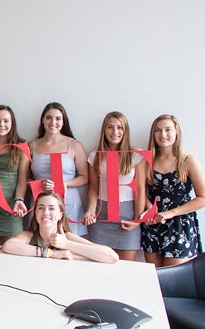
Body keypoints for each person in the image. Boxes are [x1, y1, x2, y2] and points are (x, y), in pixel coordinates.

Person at [142, 114, 205, 267]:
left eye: (167, 130)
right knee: (156, 279)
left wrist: (170, 213)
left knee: (176, 281)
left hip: (180, 226)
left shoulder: (187, 161)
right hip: (153, 225)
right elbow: (140, 192)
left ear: (176, 132)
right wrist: (151, 210)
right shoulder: (146, 162)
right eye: (158, 130)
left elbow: (202, 198)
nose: (163, 135)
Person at [83, 112, 146, 261]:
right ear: (104, 130)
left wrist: (137, 220)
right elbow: (93, 188)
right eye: (110, 127)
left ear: (125, 131)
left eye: (120, 128)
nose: (115, 132)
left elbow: (140, 190)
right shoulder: (95, 155)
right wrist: (90, 211)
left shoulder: (136, 155)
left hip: (127, 218)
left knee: (125, 269)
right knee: (99, 268)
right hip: (101, 218)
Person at [3, 192, 119, 263]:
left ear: (60, 215)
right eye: (41, 208)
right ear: (35, 213)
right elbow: (8, 246)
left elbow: (112, 257)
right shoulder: (29, 235)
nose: (45, 213)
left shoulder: (68, 238)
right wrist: (51, 254)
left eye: (51, 208)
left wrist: (67, 245)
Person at [30, 102, 88, 236]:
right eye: (49, 117)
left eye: (58, 118)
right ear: (43, 120)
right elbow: (24, 178)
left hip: (68, 203)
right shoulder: (31, 146)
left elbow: (85, 177)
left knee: (68, 244)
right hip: (40, 204)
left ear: (63, 122)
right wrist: (38, 184)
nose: (53, 122)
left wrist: (65, 184)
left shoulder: (74, 145)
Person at [0, 106, 31, 242]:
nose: (1, 125)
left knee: (11, 250)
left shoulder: (21, 147)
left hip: (12, 208)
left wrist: (19, 199)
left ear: (12, 123)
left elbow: (22, 179)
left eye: (6, 121)